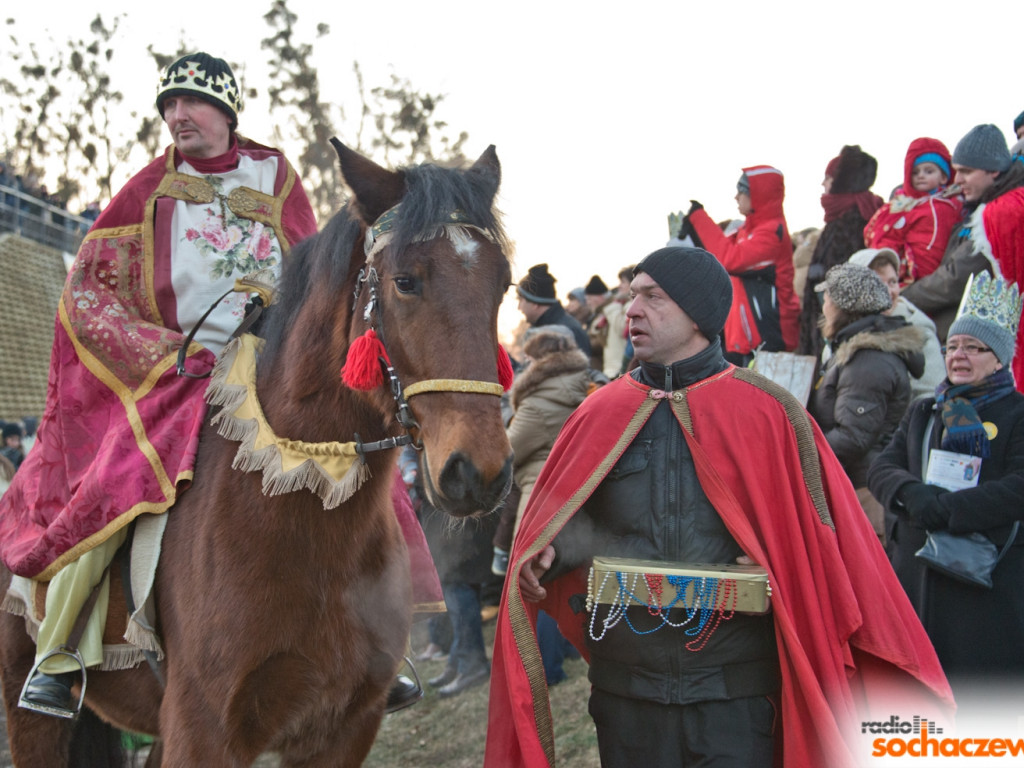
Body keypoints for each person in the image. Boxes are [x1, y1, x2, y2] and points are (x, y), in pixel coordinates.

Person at [486, 246, 952, 768]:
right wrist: (548, 556)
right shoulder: (597, 412)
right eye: (633, 296)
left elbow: (824, 550)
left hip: (737, 692)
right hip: (626, 691)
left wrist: (778, 566)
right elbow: (565, 530)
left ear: (698, 314)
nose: (633, 310)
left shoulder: (770, 412)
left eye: (653, 297)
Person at [0, 52, 323, 717]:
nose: (178, 115)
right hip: (177, 375)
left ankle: (373, 640)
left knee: (342, 459)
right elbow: (88, 298)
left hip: (272, 369)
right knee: (118, 482)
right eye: (169, 105)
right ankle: (58, 655)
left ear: (228, 113)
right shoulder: (145, 189)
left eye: (193, 102)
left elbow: (316, 274)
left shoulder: (277, 175)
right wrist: (168, 354)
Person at [867, 273, 1024, 721]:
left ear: (999, 360)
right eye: (953, 346)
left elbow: (1018, 487)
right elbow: (884, 466)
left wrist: (948, 510)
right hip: (918, 581)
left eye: (974, 348)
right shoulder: (926, 409)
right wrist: (915, 497)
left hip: (986, 591)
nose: (959, 355)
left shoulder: (1017, 415)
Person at [807, 263, 925, 542]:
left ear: (843, 307)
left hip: (865, 492)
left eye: (827, 300)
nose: (823, 307)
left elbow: (853, 437)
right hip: (854, 485)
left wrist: (797, 450)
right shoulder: (854, 350)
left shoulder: (869, 360)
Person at [901, 124, 1024, 354]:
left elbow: (957, 277)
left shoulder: (999, 213)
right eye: (956, 170)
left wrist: (900, 298)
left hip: (984, 345)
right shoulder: (977, 206)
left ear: (993, 170)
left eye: (966, 171)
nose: (957, 180)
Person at [684, 166, 800, 366]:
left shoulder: (772, 233)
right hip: (749, 342)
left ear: (758, 194)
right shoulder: (749, 230)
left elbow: (729, 259)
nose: (736, 197)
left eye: (742, 191)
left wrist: (698, 218)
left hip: (770, 340)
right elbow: (715, 253)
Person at [797, 145, 884, 361]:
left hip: (836, 325)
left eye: (828, 178)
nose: (823, 183)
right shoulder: (841, 219)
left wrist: (831, 323)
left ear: (841, 181)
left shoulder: (853, 221)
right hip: (825, 320)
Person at [863, 137, 962, 286]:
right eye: (915, 172)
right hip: (908, 275)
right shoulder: (900, 206)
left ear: (943, 177)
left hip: (939, 274)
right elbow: (882, 236)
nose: (921, 175)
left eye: (929, 171)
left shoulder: (954, 204)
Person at [516, 263, 592, 358]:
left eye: (520, 300)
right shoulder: (542, 328)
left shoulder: (568, 331)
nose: (519, 307)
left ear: (535, 303)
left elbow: (578, 371)